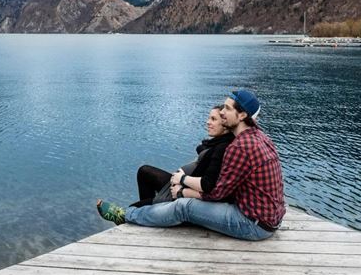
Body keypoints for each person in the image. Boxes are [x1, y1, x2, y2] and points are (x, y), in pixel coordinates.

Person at [97, 89, 285, 241]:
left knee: (184, 207)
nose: (221, 112)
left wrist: (183, 190)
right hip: (268, 218)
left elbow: (216, 193)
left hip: (252, 224)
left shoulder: (240, 147)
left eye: (227, 109)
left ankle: (126, 216)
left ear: (242, 115)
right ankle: (140, 216)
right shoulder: (259, 136)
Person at [129, 105, 234, 208]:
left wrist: (182, 181)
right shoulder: (216, 144)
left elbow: (208, 185)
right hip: (181, 185)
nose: (208, 122)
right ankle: (150, 209)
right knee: (144, 172)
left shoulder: (221, 149)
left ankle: (150, 210)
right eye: (209, 118)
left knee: (133, 208)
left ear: (225, 125)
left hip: (182, 192)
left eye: (213, 119)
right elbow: (201, 148)